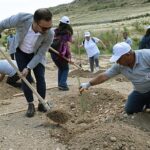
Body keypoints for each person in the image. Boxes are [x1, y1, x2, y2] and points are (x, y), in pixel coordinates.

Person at [0, 8, 54, 117]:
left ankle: (41, 103)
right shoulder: (21, 18)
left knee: (40, 78)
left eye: (49, 27)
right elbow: (3, 24)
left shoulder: (49, 34)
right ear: (35, 22)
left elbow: (40, 54)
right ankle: (30, 104)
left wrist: (28, 67)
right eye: (44, 28)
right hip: (21, 52)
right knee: (25, 79)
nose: (47, 30)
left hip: (36, 54)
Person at [80, 42, 150, 114]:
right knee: (130, 109)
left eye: (119, 59)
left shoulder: (146, 55)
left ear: (128, 55)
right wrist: (88, 84)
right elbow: (104, 76)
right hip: (140, 91)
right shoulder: (119, 66)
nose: (117, 61)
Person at [49, 16, 73, 91]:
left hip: (53, 53)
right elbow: (68, 45)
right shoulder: (67, 33)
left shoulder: (55, 31)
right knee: (65, 68)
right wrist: (70, 56)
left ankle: (60, 84)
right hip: (62, 54)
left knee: (61, 68)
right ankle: (62, 84)